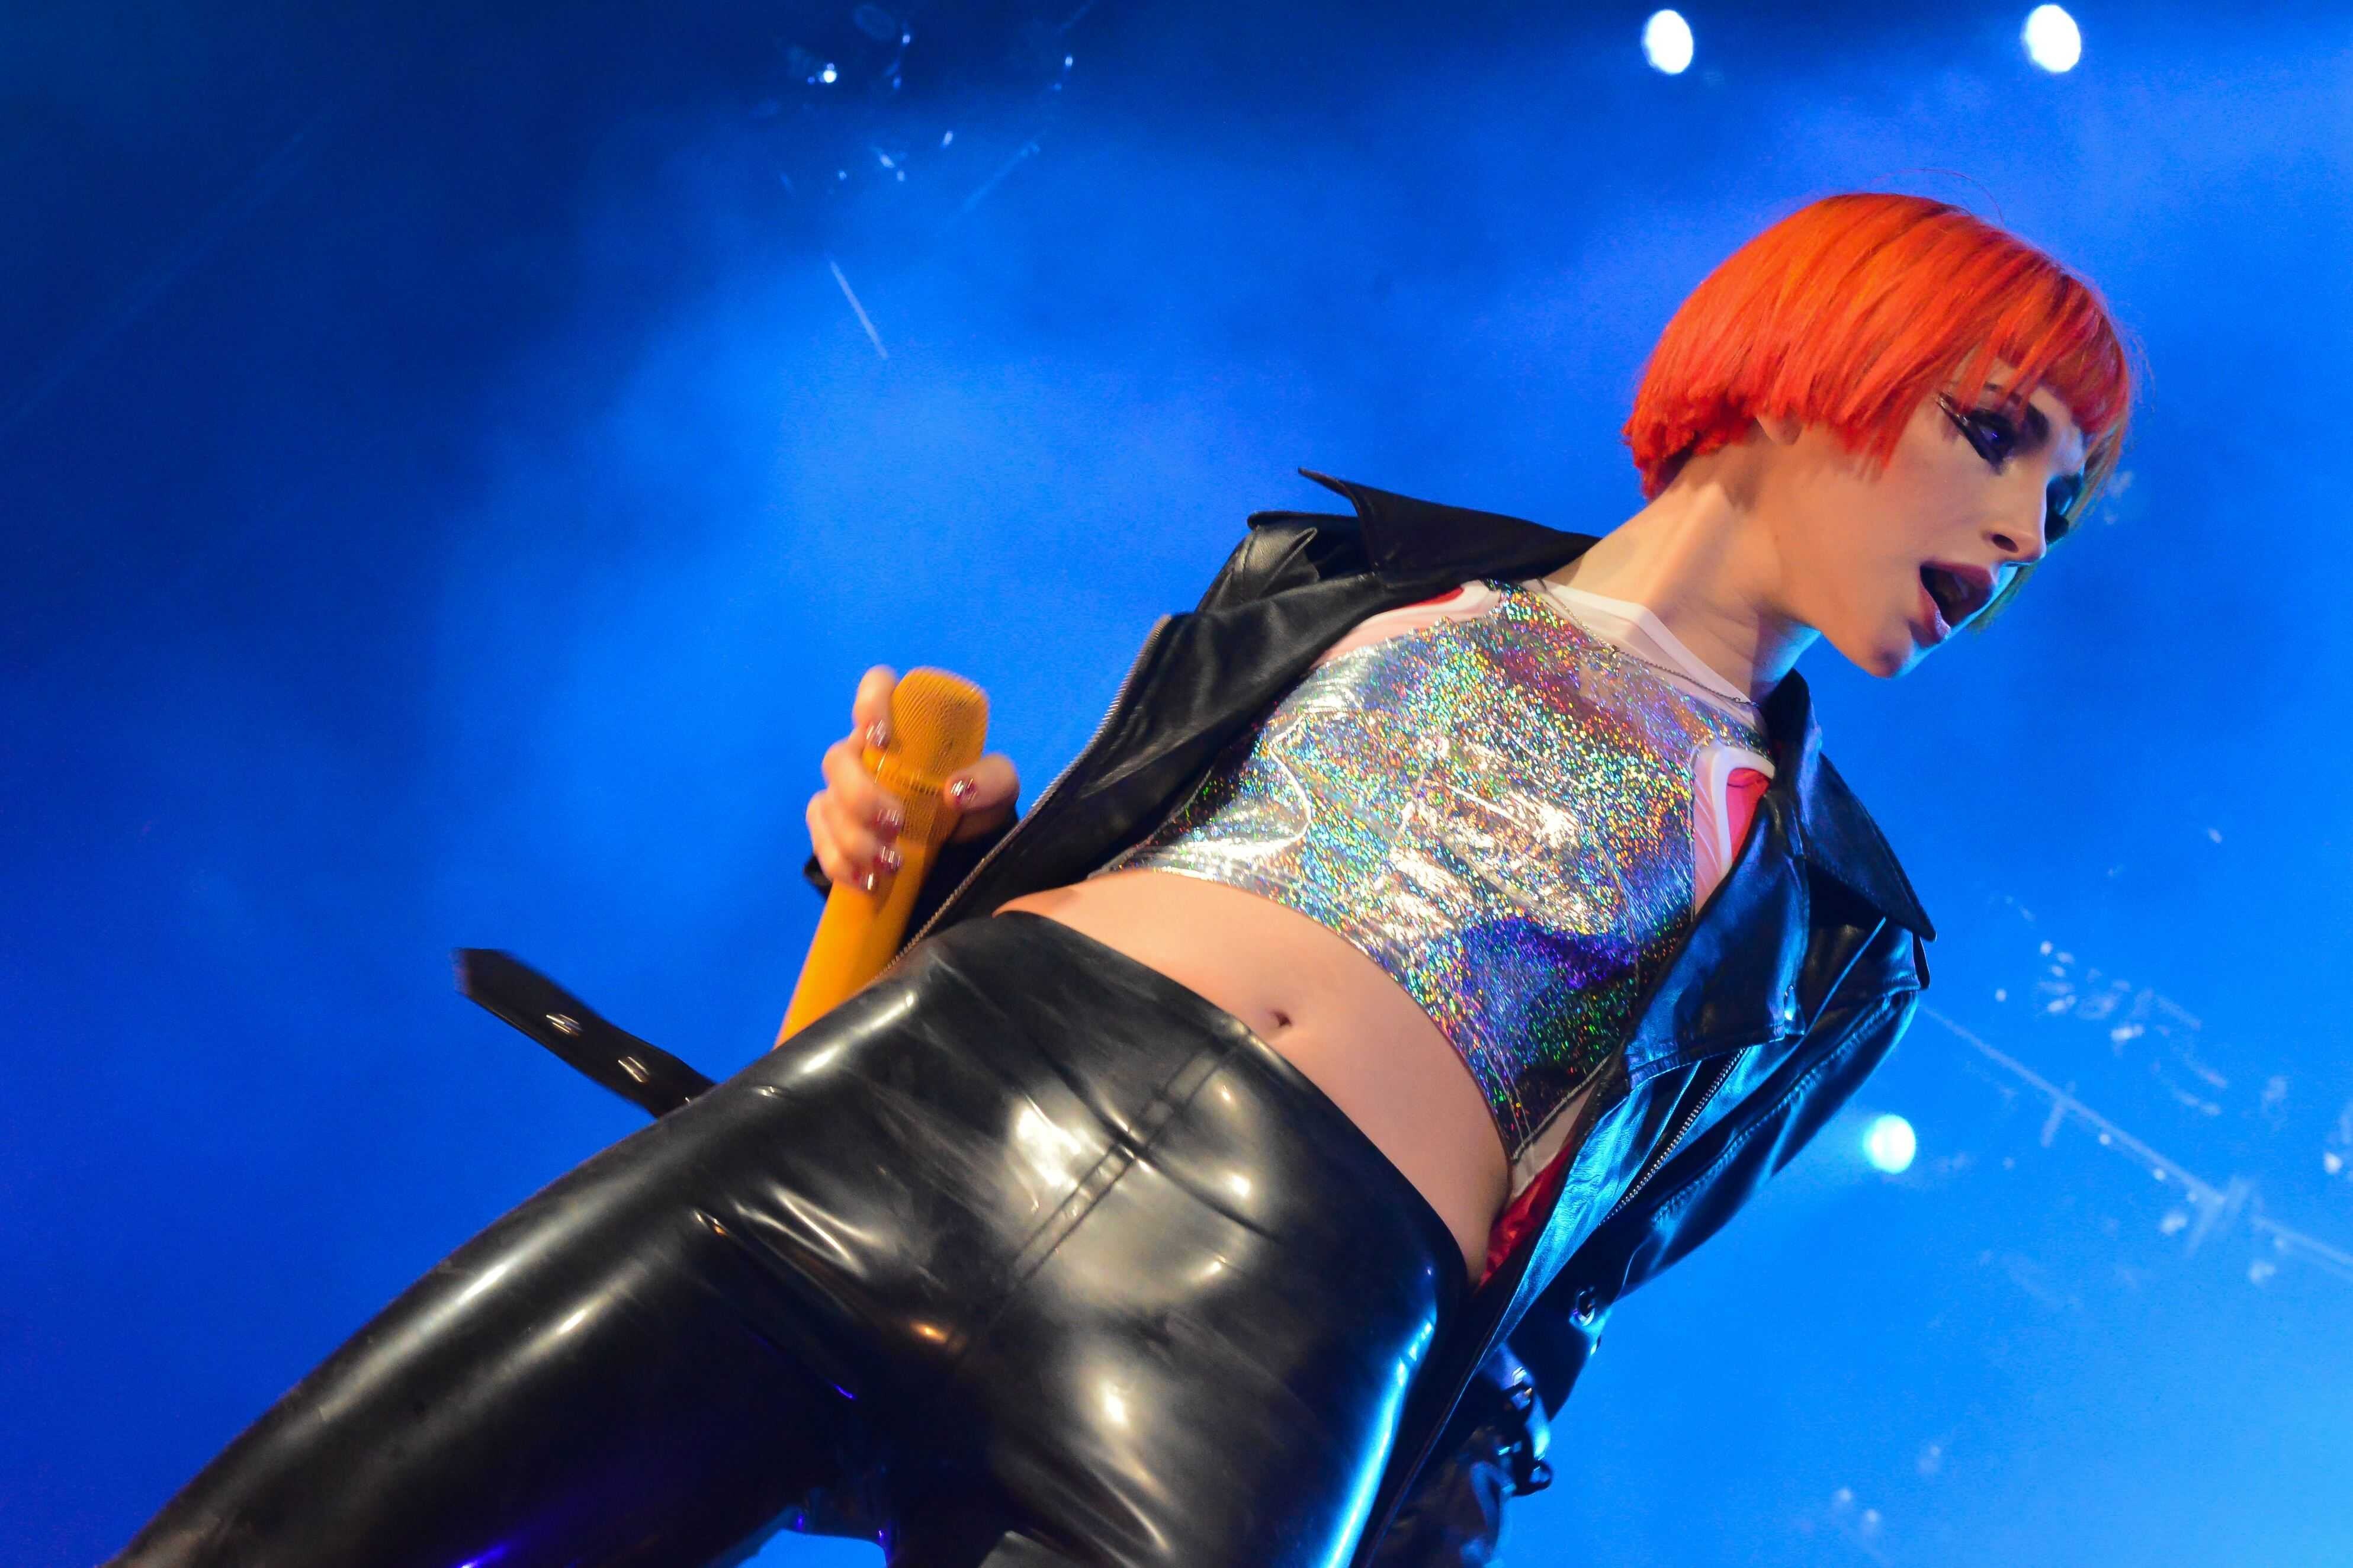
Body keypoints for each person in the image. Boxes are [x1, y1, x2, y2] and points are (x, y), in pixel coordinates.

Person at [110, 191, 2131, 1568]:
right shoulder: (1347, 584)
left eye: (2066, 501)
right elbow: (1131, 831)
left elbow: (1555, 1320)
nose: (2029, 533)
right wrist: (932, 842)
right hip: (917, 1104)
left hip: (1270, 1335)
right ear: (1810, 357)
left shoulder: (1834, 926)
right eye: (1999, 435)